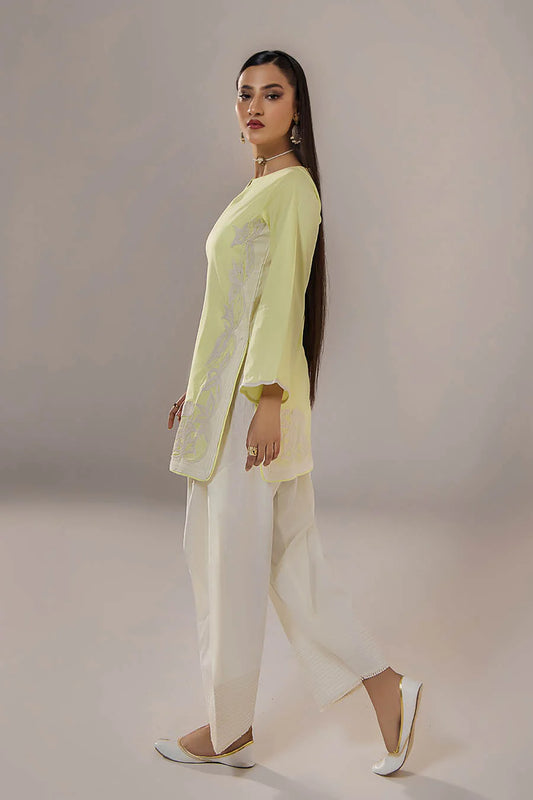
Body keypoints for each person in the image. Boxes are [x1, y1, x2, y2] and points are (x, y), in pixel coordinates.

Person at [154, 50, 423, 776]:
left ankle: (228, 730)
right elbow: (231, 310)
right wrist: (198, 390)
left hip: (256, 414)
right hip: (233, 405)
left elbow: (283, 303)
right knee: (288, 564)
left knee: (227, 566)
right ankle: (385, 689)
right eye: (244, 94)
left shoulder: (293, 189)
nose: (254, 107)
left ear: (297, 109)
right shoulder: (260, 187)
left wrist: (267, 400)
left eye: (272, 95)